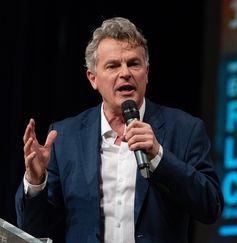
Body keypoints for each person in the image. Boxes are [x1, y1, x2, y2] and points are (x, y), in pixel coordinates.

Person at [15, 16, 224, 243]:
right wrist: (35, 182)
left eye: (134, 64)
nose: (125, 73)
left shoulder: (184, 129)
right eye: (113, 65)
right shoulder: (66, 137)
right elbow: (34, 229)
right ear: (93, 78)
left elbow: (210, 206)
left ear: (147, 73)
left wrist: (159, 157)